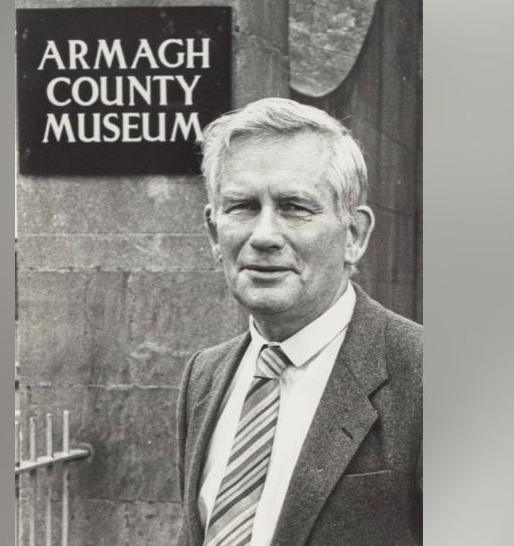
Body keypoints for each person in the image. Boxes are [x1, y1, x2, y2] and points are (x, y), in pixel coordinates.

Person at [176, 97, 422, 546]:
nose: (265, 235)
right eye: (243, 207)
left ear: (354, 235)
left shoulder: (423, 375)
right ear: (214, 233)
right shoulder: (205, 376)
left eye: (294, 207)